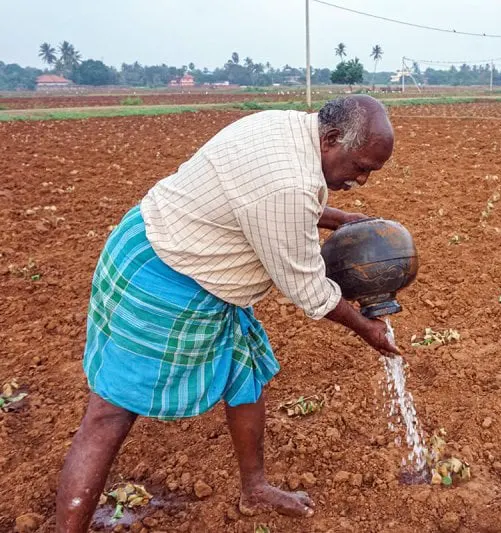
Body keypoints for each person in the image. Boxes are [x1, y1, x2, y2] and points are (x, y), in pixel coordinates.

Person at [55, 95, 400, 532]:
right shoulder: (286, 183)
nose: (363, 179)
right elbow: (308, 287)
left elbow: (269, 204)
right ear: (331, 138)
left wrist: (342, 217)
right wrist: (367, 328)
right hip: (162, 276)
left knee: (246, 375)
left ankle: (254, 489)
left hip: (193, 265)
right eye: (361, 166)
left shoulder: (291, 128)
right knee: (109, 414)